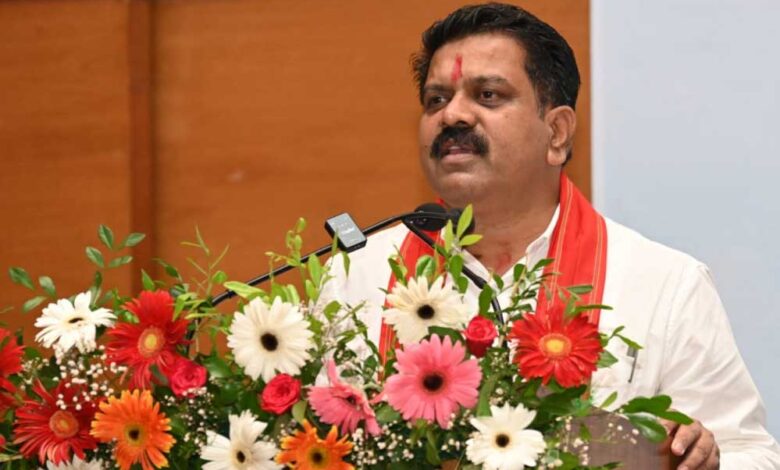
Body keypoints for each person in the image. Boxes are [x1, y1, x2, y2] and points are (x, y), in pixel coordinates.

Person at [321, 3, 780, 469]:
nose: (452, 115)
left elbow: (753, 454)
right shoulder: (358, 275)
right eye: (436, 100)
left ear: (557, 133)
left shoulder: (663, 284)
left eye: (488, 95)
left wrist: (704, 461)